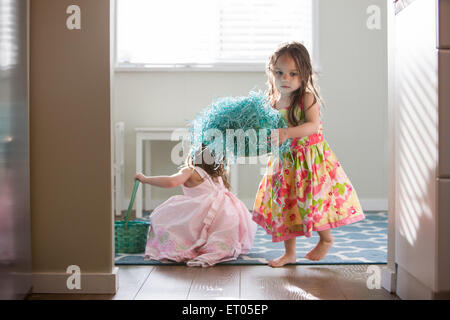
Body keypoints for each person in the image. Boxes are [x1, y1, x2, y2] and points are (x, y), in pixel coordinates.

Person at [252, 41, 365, 267]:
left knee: (315, 201)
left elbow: (313, 126)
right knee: (287, 205)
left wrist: (286, 132)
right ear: (271, 73)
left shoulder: (307, 98)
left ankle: (326, 239)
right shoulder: (273, 101)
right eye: (280, 73)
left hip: (311, 162)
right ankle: (289, 253)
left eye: (293, 74)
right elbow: (271, 129)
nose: (285, 78)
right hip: (285, 162)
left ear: (304, 74)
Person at [134, 146, 257, 267]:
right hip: (223, 217)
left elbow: (171, 181)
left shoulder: (191, 170)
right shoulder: (217, 176)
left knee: (163, 217)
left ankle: (187, 246)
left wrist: (145, 179)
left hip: (201, 215)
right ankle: (216, 246)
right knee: (214, 224)